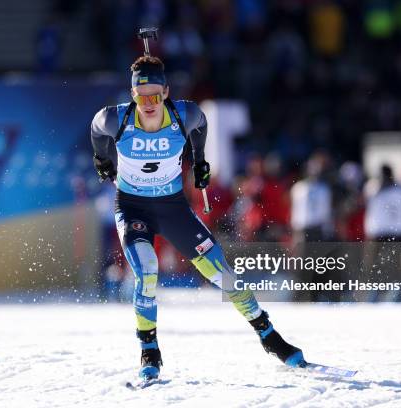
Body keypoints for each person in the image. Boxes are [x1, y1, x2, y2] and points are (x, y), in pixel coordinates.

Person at [90, 55, 304, 381]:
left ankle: (269, 336)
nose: (148, 103)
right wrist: (101, 158)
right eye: (140, 95)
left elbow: (201, 124)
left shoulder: (183, 114)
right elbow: (95, 129)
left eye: (155, 95)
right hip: (133, 208)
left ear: (166, 91)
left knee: (224, 276)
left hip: (173, 209)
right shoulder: (115, 119)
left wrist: (200, 159)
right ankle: (149, 350)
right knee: (147, 271)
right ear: (132, 94)